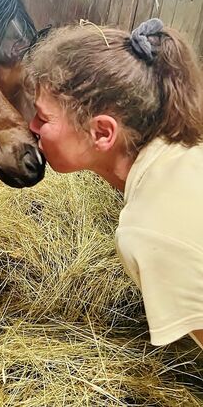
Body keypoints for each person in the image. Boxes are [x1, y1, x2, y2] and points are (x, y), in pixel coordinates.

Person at [28, 18, 203, 349]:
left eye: (43, 117)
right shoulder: (184, 149)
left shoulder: (149, 230)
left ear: (102, 133)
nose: (31, 126)